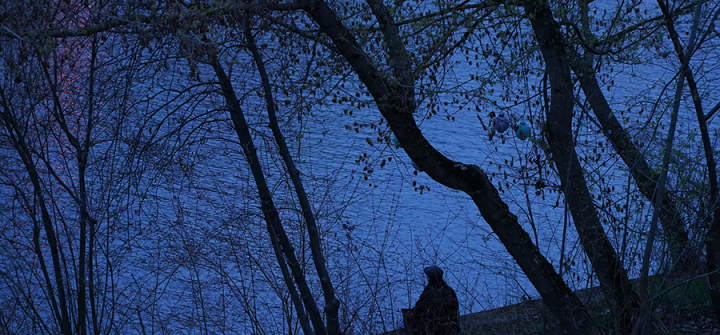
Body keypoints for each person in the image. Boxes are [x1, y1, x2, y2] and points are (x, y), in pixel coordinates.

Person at [403, 265, 460, 335]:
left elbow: (419, 309)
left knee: (411, 319)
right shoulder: (449, 290)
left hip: (435, 327)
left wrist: (409, 314)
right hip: (450, 324)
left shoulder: (429, 292)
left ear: (429, 278)